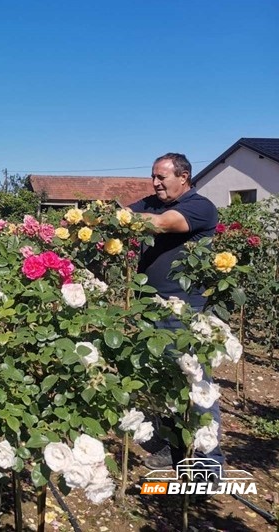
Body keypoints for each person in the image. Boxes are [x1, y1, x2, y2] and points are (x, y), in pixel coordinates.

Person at [129, 152, 224, 470]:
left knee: (196, 385)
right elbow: (124, 216)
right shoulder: (151, 202)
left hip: (184, 313)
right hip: (150, 308)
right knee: (166, 386)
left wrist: (122, 220)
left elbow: (161, 224)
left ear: (183, 177)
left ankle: (209, 462)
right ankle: (174, 448)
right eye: (153, 176)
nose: (155, 182)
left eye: (161, 177)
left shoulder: (199, 207)